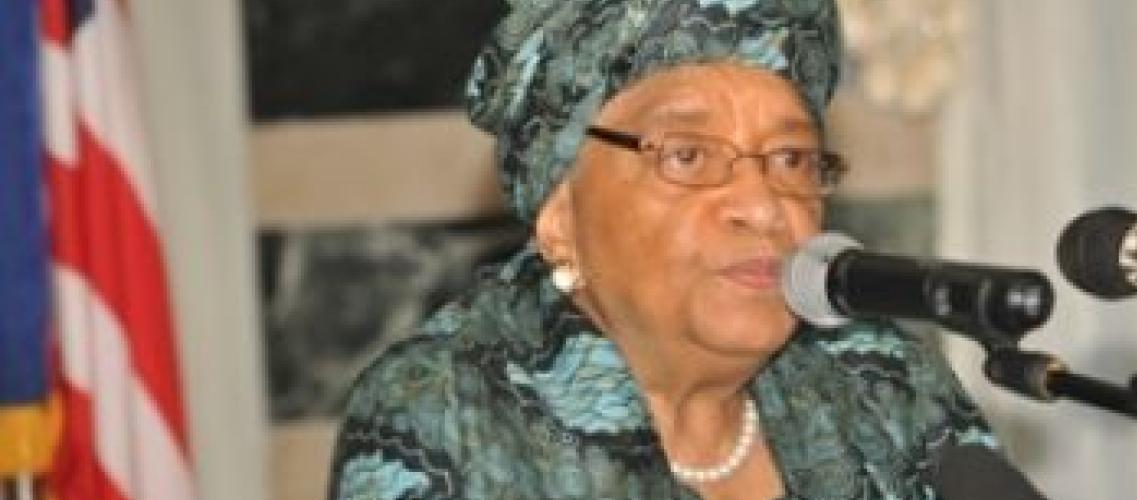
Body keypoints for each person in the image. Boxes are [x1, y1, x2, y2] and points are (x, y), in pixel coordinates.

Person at [328, 1, 997, 498]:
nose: (763, 205)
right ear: (559, 218)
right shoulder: (445, 412)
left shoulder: (885, 385)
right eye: (687, 155)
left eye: (791, 158)